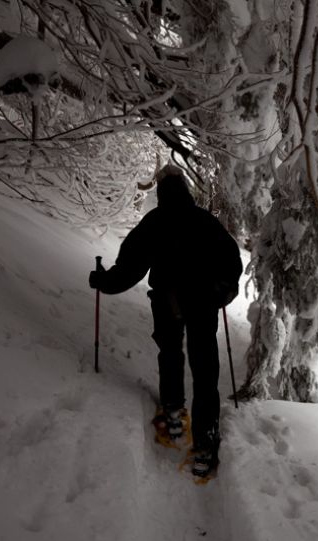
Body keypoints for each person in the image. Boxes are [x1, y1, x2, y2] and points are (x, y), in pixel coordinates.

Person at [89, 165, 242, 478]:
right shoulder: (205, 221)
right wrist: (222, 292)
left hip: (166, 301)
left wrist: (102, 281)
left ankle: (173, 415)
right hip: (202, 303)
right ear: (186, 189)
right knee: (205, 368)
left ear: (160, 192)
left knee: (171, 355)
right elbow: (231, 262)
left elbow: (129, 268)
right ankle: (205, 441)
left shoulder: (154, 223)